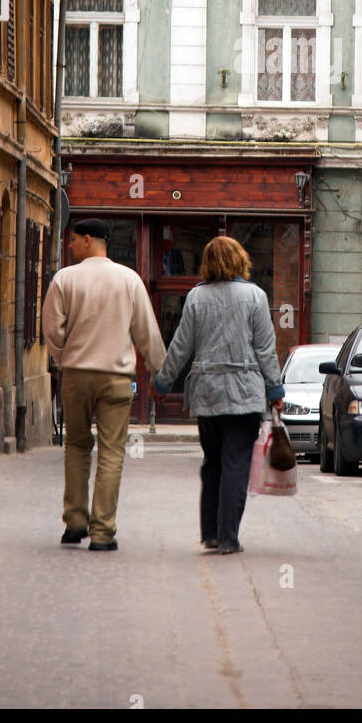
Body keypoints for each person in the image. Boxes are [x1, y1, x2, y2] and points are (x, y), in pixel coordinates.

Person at [151, 236, 284, 555]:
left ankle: (210, 533)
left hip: (207, 394)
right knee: (236, 463)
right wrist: (275, 390)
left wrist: (163, 383)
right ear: (240, 260)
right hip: (245, 394)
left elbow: (180, 346)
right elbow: (265, 350)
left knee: (212, 462)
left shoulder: (196, 297)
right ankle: (228, 538)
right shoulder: (256, 296)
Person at [42, 217, 165, 552]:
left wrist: (65, 356)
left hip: (76, 375)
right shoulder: (129, 279)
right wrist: (160, 372)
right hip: (116, 377)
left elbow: (51, 330)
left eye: (73, 239)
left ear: (87, 239)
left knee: (76, 445)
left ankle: (74, 522)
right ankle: (102, 532)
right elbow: (146, 331)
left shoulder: (65, 279)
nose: (69, 245)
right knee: (112, 452)